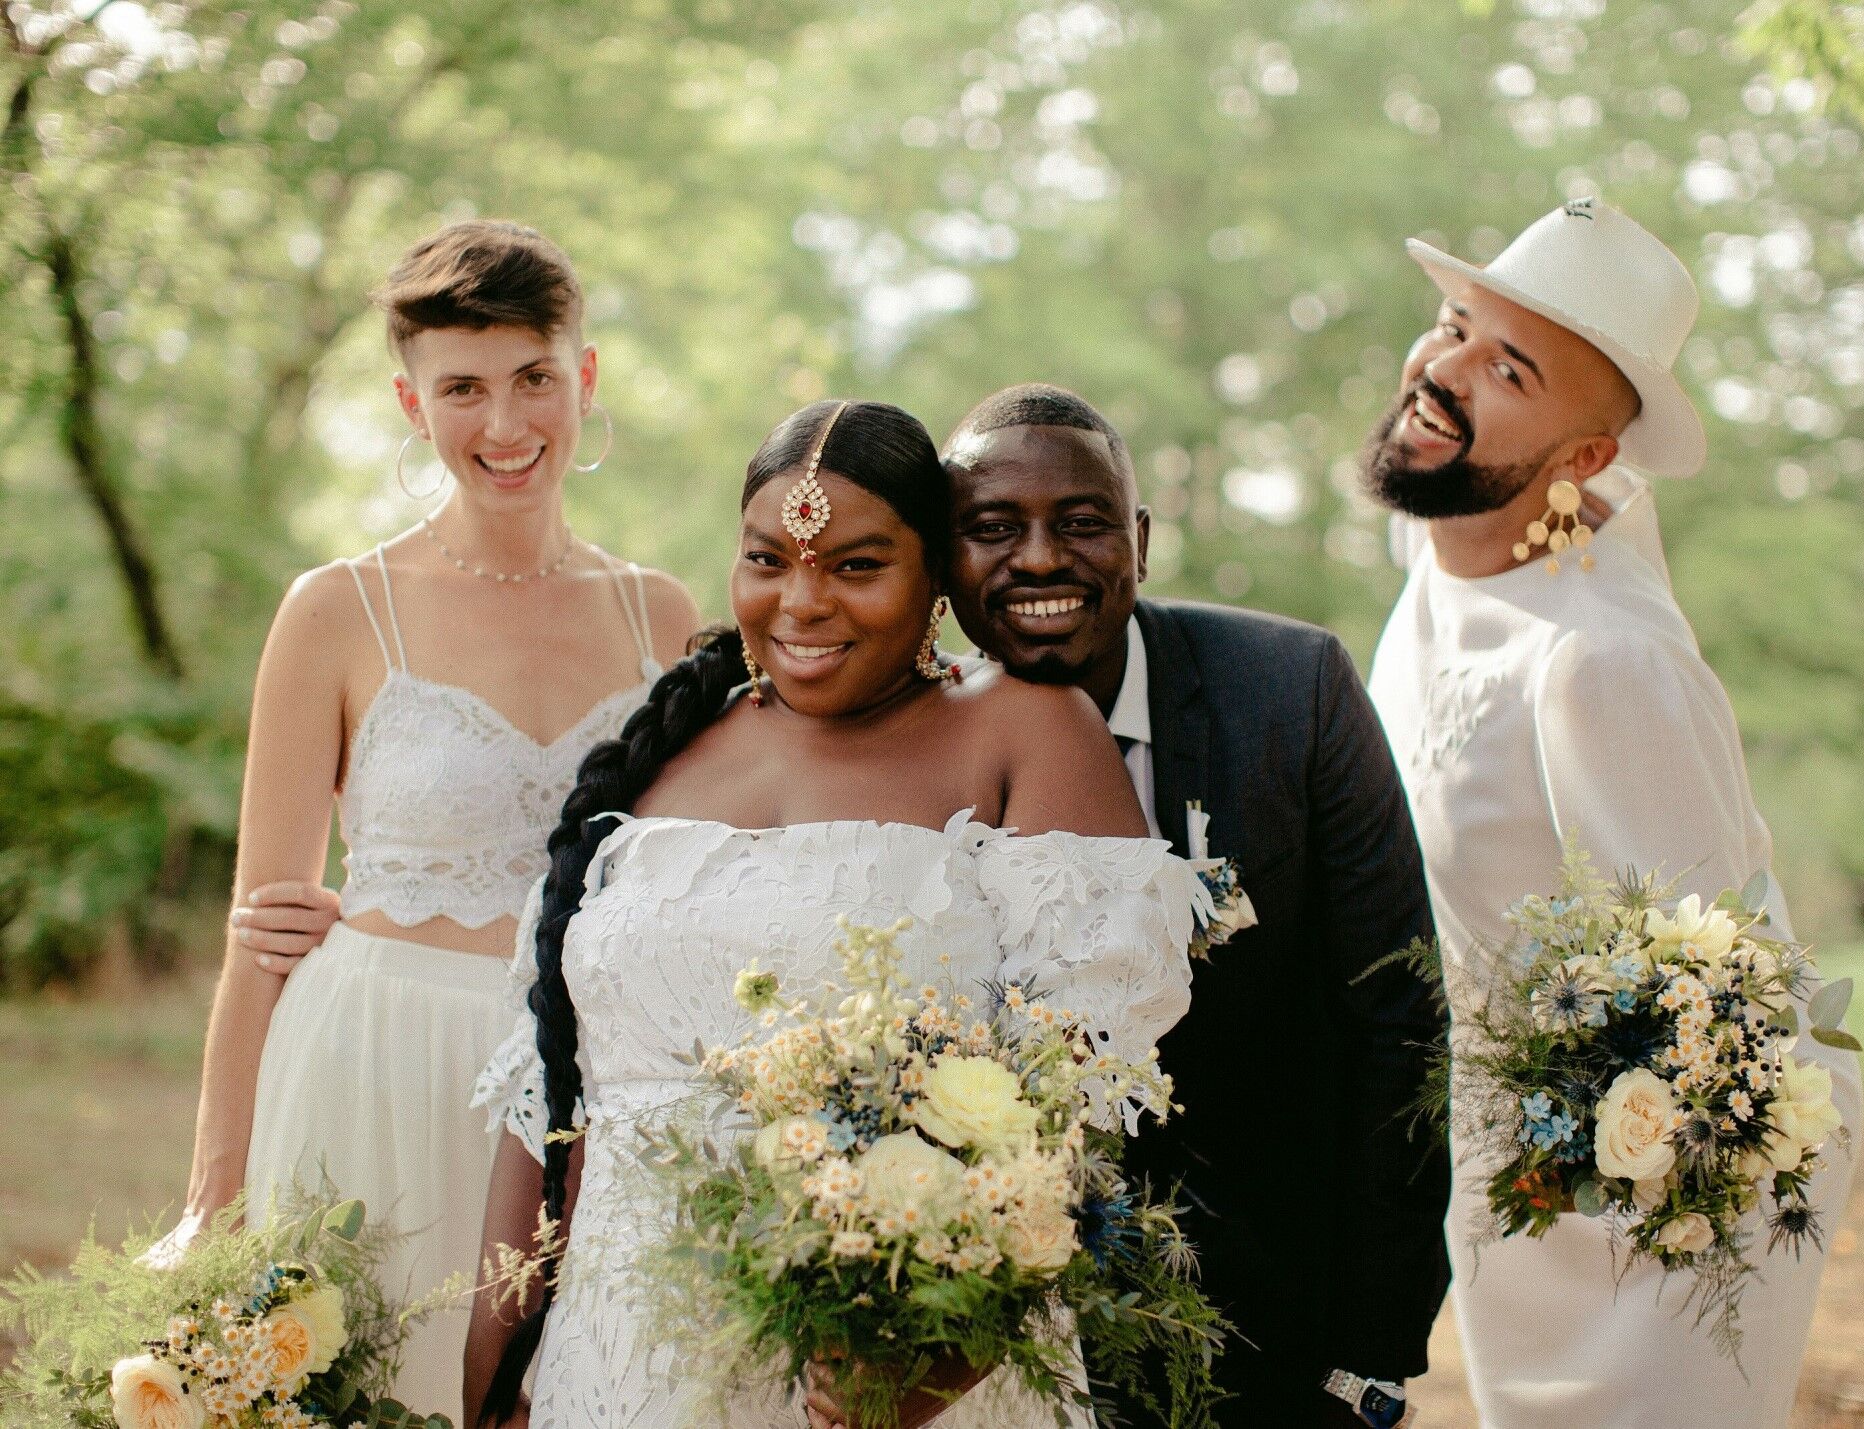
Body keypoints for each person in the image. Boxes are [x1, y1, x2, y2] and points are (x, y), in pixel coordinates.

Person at [463, 399, 1209, 1429]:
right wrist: (492, 1375)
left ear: (936, 580)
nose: (803, 602)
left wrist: (930, 1362)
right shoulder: (657, 753)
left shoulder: (1025, 733)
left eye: (856, 565)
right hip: (623, 1358)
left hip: (897, 1360)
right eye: (769, 560)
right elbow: (539, 1108)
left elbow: (1073, 1102)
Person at [160, 220, 700, 1423]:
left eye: (533, 379)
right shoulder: (335, 613)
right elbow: (262, 932)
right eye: (463, 389)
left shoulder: (660, 619)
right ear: (412, 403)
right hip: (374, 1064)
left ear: (585, 376)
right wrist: (214, 1194)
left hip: (585, 1090)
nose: (505, 427)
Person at [1361, 199, 1864, 1427]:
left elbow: (1719, 998)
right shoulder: (1435, 548)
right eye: (1456, 327)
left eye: (1509, 367)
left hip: (1675, 1198)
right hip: (1515, 1178)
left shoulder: (1603, 661)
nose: (1445, 372)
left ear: (1584, 459)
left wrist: (1608, 1179)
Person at [940, 385, 1451, 1428]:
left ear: (1140, 539)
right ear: (945, 560)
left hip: (1263, 1325)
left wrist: (1372, 1356)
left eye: (1080, 523)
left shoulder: (1289, 691)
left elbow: (1398, 1019)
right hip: (975, 1341)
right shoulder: (898, 734)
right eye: (993, 527)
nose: (1038, 558)